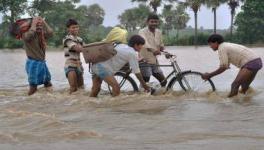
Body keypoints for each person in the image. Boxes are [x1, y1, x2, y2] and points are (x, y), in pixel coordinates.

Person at [22, 16, 53, 95]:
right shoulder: (26, 35)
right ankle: (27, 101)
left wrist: (43, 22)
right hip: (33, 63)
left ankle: (49, 99)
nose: (39, 27)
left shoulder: (41, 35)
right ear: (32, 26)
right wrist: (34, 24)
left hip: (42, 63)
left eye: (40, 26)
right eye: (37, 25)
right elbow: (28, 36)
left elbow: (50, 33)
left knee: (48, 83)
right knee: (33, 87)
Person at [138, 13, 167, 87]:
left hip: (154, 61)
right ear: (147, 22)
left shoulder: (159, 32)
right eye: (152, 21)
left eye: (156, 22)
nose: (154, 23)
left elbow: (161, 44)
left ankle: (159, 96)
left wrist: (165, 51)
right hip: (144, 60)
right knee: (145, 82)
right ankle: (141, 96)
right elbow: (144, 43)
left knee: (164, 81)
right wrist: (153, 50)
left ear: (158, 22)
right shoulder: (142, 31)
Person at [63, 19, 84, 94]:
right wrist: (88, 48)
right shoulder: (67, 39)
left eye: (77, 27)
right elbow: (78, 49)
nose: (75, 29)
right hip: (70, 65)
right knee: (73, 88)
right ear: (68, 29)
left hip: (79, 65)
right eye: (73, 27)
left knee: (81, 88)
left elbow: (84, 49)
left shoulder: (80, 39)